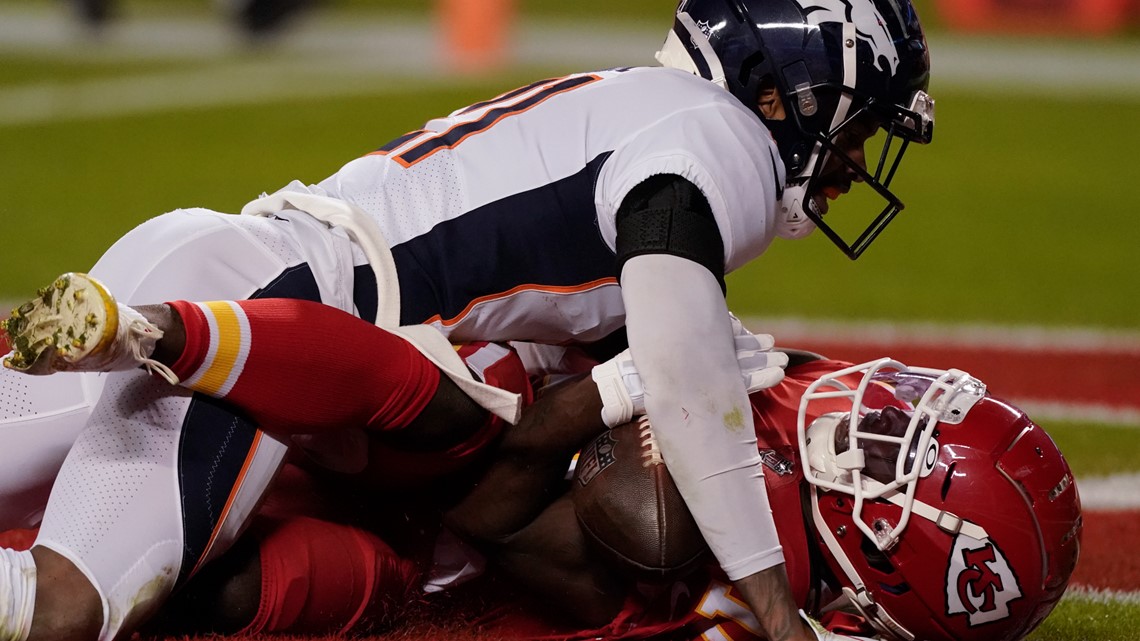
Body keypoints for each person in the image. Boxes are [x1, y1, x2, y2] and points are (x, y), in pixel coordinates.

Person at [0, 0, 935, 638]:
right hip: (280, 326)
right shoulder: (722, 144)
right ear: (789, 93)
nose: (855, 160)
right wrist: (777, 614)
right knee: (64, 610)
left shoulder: (643, 108)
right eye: (859, 126)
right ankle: (158, 333)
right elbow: (691, 389)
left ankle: (147, 326)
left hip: (216, 252)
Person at [1, 288, 1080, 641]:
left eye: (879, 449)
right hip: (258, 382)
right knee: (443, 420)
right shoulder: (670, 328)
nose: (855, 411)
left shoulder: (689, 575)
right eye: (894, 412)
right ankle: (163, 329)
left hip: (355, 495)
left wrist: (603, 394)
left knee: (333, 573)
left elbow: (500, 479)